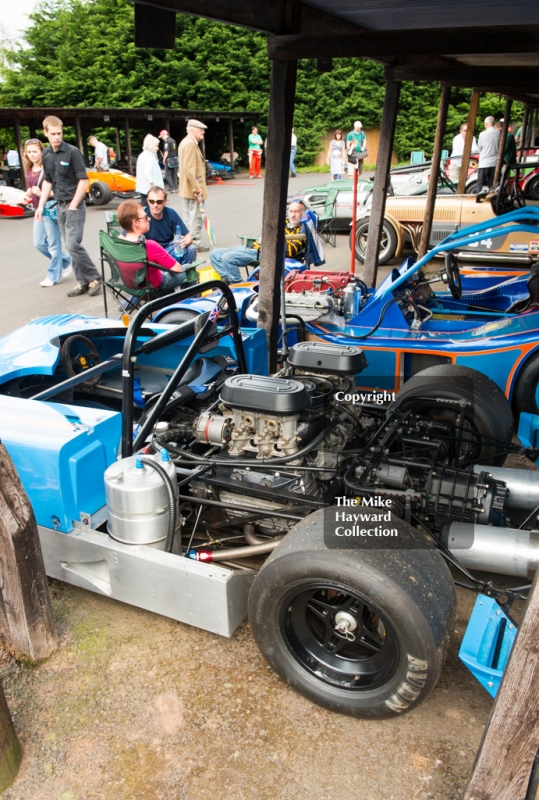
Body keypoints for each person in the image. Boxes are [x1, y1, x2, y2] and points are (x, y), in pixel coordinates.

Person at [36, 115, 102, 297]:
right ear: (46, 133)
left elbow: (83, 180)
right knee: (69, 246)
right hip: (59, 205)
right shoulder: (47, 155)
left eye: (60, 133)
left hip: (75, 205)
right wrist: (41, 205)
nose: (57, 137)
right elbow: (48, 181)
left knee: (73, 244)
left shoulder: (72, 152)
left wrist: (74, 204)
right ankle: (83, 282)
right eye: (54, 134)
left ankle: (95, 277)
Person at [210, 199, 309, 284]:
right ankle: (227, 279)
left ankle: (238, 285)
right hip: (254, 246)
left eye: (296, 212)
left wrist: (273, 241)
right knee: (215, 254)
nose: (293, 215)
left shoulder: (301, 230)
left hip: (265, 252)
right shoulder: (284, 222)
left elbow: (290, 251)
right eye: (291, 211)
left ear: (303, 212)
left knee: (228, 258)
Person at [22, 138, 71, 287]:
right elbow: (32, 187)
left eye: (35, 151)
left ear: (41, 152)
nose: (32, 155)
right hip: (39, 210)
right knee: (38, 243)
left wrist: (41, 192)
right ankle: (66, 260)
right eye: (29, 152)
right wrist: (27, 195)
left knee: (53, 244)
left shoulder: (48, 168)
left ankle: (53, 275)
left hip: (50, 208)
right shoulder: (30, 169)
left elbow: (55, 191)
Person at [117, 200, 187, 297]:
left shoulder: (118, 245)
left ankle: (133, 300)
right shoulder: (149, 246)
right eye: (145, 217)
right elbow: (178, 269)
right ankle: (190, 302)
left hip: (133, 288)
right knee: (187, 268)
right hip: (155, 289)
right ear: (136, 222)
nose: (149, 219)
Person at [144, 186, 197, 266]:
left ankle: (184, 274)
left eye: (159, 202)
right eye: (152, 201)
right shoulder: (142, 215)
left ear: (165, 201)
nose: (155, 205)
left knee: (191, 249)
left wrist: (184, 242)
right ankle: (178, 273)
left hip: (169, 250)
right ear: (147, 201)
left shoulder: (170, 213)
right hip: (152, 255)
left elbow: (188, 237)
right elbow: (125, 237)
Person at [178, 119, 209, 252]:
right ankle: (194, 242)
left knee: (188, 216)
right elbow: (190, 170)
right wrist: (197, 189)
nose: (203, 132)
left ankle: (188, 240)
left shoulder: (186, 142)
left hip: (187, 188)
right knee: (195, 216)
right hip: (193, 188)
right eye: (200, 130)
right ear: (192, 130)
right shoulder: (190, 144)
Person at [136, 134, 164, 207]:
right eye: (156, 145)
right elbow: (147, 173)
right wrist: (154, 186)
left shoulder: (142, 155)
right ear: (150, 145)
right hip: (150, 190)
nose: (157, 148)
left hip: (143, 188)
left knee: (145, 209)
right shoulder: (150, 157)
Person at [476, 116, 501, 193]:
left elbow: (479, 148)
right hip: (495, 161)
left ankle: (479, 198)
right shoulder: (498, 133)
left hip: (484, 162)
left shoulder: (482, 134)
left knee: (481, 183)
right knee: (492, 183)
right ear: (493, 123)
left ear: (486, 124)